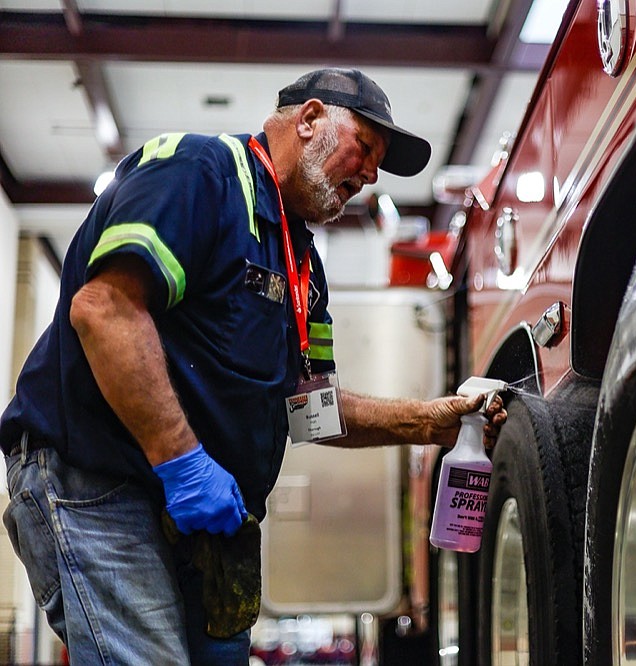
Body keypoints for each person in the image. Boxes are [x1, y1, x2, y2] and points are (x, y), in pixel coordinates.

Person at [0, 68, 506, 665]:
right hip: (99, 480)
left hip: (202, 516)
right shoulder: (198, 173)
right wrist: (185, 464)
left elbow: (309, 410)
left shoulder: (302, 266)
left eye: (378, 165)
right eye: (365, 149)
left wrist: (429, 422)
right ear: (310, 118)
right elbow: (103, 309)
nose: (370, 175)